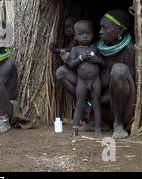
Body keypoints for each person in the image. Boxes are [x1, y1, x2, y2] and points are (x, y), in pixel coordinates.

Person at [56, 10, 135, 139]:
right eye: (100, 27)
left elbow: (126, 87)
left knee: (119, 70)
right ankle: (97, 120)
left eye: (105, 28)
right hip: (98, 106)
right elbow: (81, 70)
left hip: (121, 108)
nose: (100, 32)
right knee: (62, 72)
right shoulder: (96, 48)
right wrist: (69, 59)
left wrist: (95, 101)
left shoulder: (129, 49)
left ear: (120, 30)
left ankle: (118, 124)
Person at [67, 20, 102, 137]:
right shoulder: (75, 50)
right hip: (82, 81)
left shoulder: (95, 49)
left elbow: (104, 63)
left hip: (95, 80)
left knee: (96, 104)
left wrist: (97, 60)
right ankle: (75, 129)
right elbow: (71, 64)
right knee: (79, 104)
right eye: (81, 34)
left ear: (93, 34)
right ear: (75, 36)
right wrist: (81, 58)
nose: (85, 36)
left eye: (88, 33)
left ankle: (98, 129)